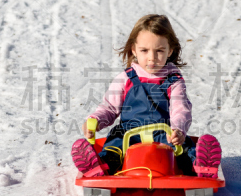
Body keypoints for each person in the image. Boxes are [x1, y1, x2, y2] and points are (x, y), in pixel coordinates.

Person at [71, 14, 221, 178]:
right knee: (115, 146)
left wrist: (178, 129)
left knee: (181, 148)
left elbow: (181, 108)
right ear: (134, 50)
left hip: (164, 132)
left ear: (170, 50)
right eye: (144, 50)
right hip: (129, 132)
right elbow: (109, 107)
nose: (152, 57)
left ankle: (199, 166)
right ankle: (100, 166)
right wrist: (96, 120)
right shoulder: (125, 78)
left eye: (159, 51)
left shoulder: (173, 81)